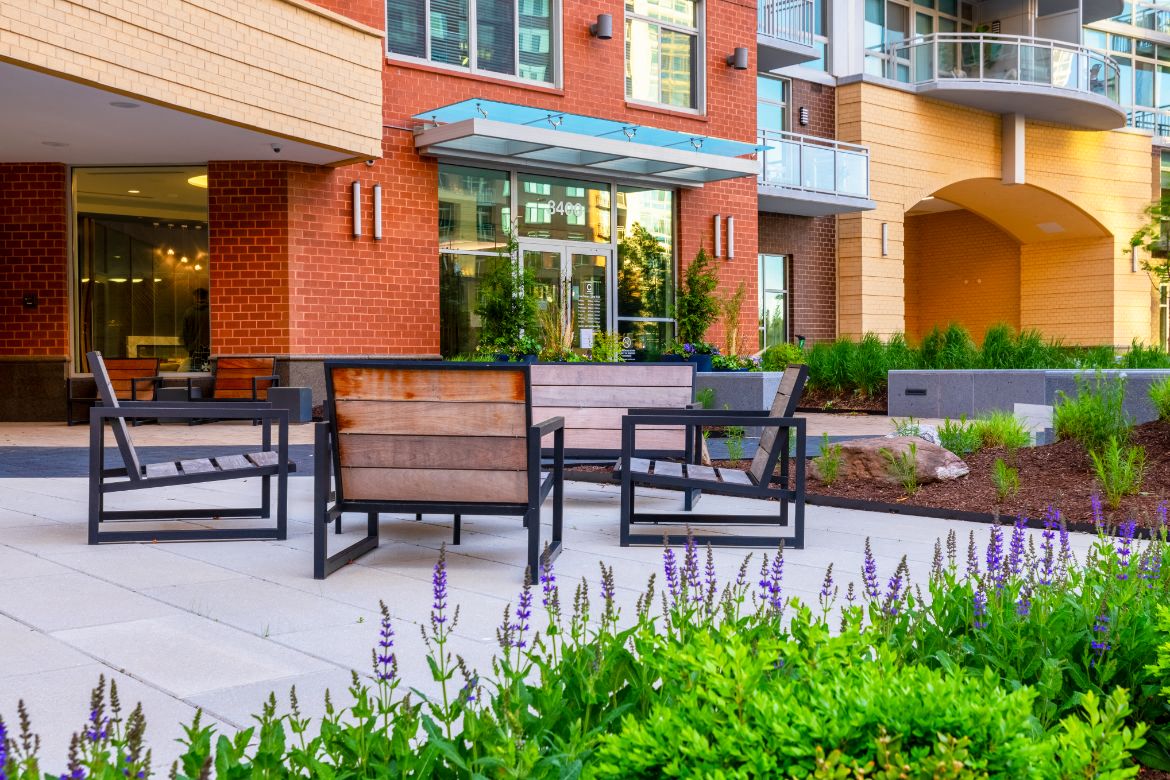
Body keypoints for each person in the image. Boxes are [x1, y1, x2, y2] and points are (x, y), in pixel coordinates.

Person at [182, 287, 211, 370]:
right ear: (206, 297)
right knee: (208, 373)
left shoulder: (189, 312)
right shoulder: (211, 312)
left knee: (195, 374)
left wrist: (189, 348)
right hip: (209, 350)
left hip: (194, 351)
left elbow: (185, 333)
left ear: (195, 298)